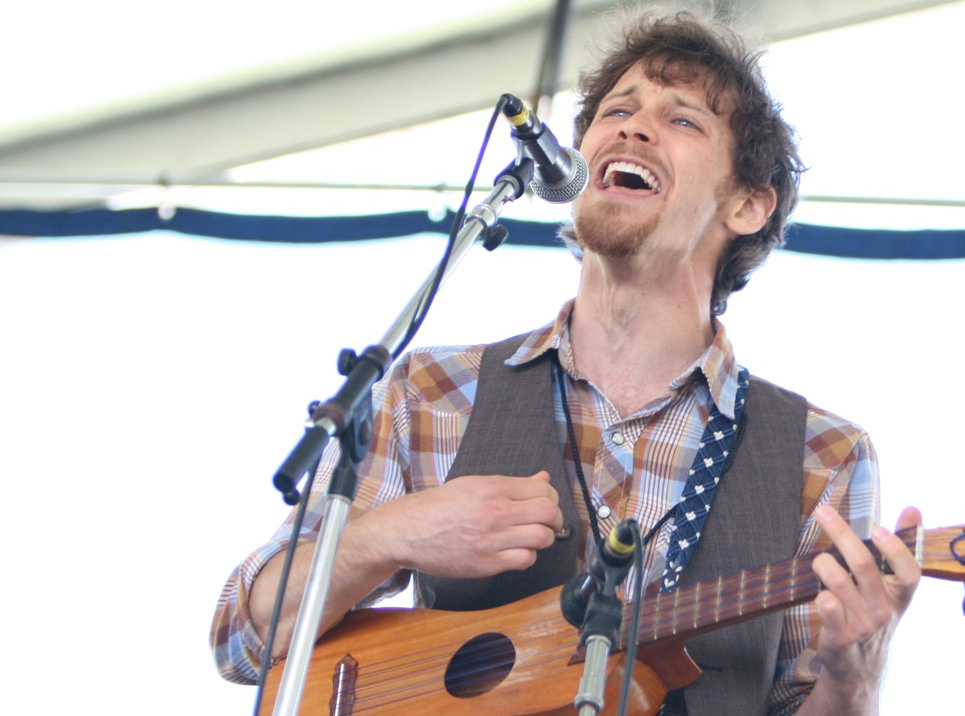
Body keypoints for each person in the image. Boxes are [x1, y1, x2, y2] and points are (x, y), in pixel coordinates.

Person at [211, 10, 921, 716]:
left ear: (746, 204)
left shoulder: (822, 457)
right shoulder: (433, 392)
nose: (633, 127)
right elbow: (244, 638)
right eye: (616, 109)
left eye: (682, 121)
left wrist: (853, 676)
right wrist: (393, 535)